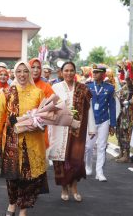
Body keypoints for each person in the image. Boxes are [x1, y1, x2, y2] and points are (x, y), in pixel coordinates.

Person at [0, 61, 48, 216]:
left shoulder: (38, 93)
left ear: (29, 73)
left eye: (25, 71)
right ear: (14, 74)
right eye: (19, 71)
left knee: (28, 178)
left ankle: (23, 208)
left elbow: (45, 117)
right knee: (12, 176)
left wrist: (38, 124)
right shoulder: (7, 93)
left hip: (32, 141)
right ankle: (12, 202)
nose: (22, 75)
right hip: (11, 141)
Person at [48, 61, 95, 202]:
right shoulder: (55, 88)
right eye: (66, 70)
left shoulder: (83, 88)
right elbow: (50, 108)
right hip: (59, 129)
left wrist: (91, 128)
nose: (69, 73)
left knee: (76, 159)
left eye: (71, 70)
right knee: (61, 159)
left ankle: (74, 186)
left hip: (77, 130)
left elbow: (89, 109)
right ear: (61, 72)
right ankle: (64, 187)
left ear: (75, 72)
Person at [85, 64, 116, 182]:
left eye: (97, 72)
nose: (94, 74)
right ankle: (88, 166)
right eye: (94, 72)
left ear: (103, 75)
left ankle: (100, 172)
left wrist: (112, 124)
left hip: (104, 120)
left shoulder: (110, 88)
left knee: (102, 147)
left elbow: (112, 107)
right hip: (91, 120)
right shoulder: (87, 86)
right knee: (88, 147)